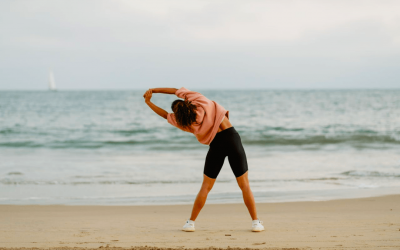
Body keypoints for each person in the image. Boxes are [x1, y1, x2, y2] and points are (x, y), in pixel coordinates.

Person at [143, 87, 264, 232]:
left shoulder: (184, 123)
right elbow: (176, 90)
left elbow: (164, 115)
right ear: (186, 101)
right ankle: (255, 223)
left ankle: (190, 223)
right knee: (244, 185)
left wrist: (148, 102)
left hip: (216, 145)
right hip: (232, 138)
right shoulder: (200, 101)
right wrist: (154, 90)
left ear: (177, 114)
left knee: (206, 186)